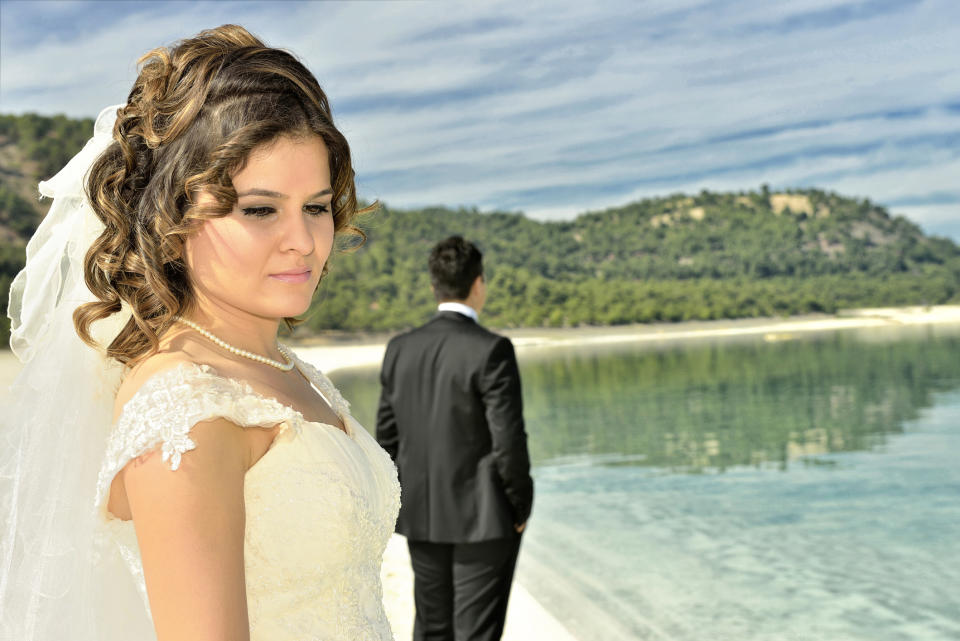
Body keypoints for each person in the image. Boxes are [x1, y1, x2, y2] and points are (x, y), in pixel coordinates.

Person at [0, 25, 399, 641]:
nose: (304, 240)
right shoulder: (186, 408)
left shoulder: (288, 372)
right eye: (260, 209)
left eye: (316, 206)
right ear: (172, 219)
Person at [376, 236, 534, 641]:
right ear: (478, 284)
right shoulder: (492, 349)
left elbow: (386, 438)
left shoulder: (400, 349)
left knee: (432, 627)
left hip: (423, 514)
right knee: (476, 631)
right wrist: (520, 505)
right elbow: (509, 440)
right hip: (484, 516)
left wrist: (398, 502)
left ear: (434, 287)